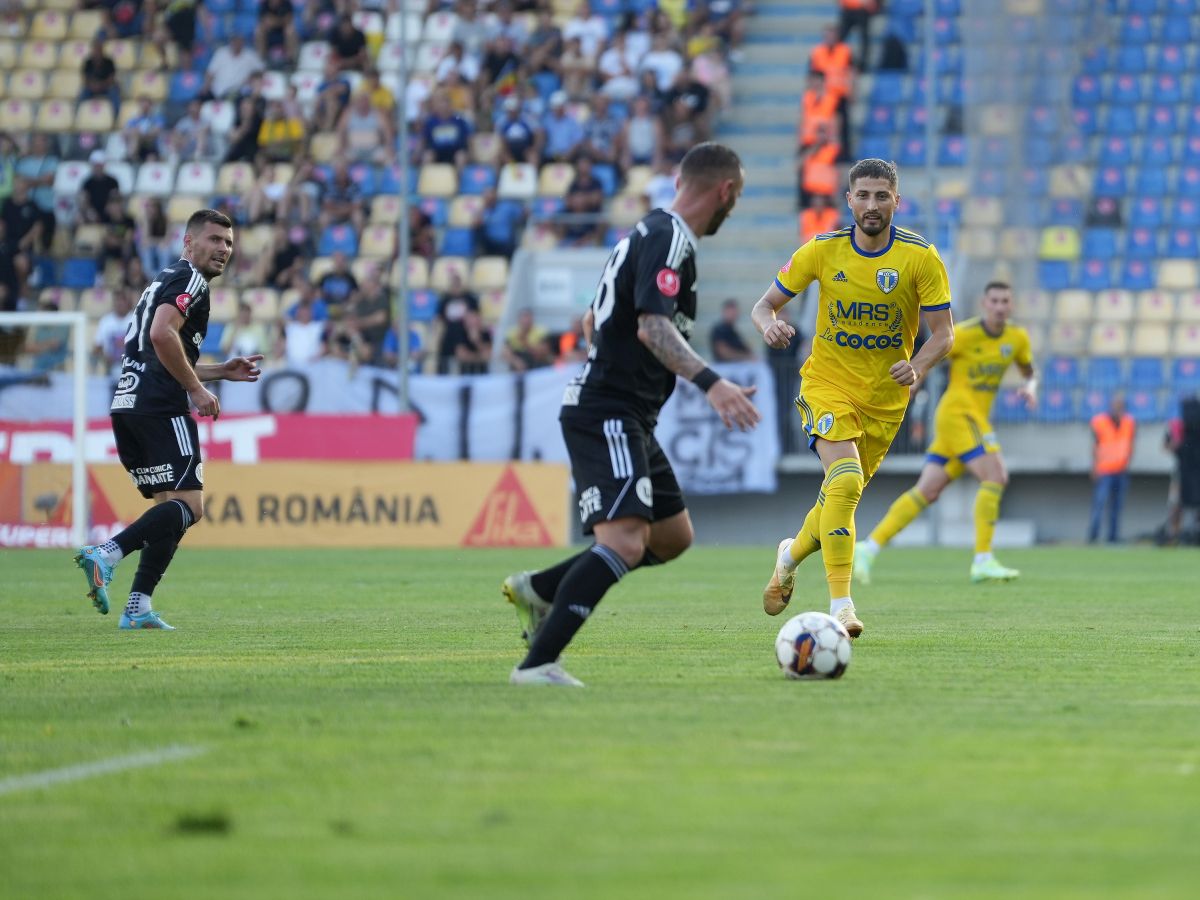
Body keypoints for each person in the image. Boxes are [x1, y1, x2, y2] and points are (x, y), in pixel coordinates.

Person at [501, 141, 759, 686]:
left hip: (630, 413)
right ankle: (538, 664)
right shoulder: (669, 239)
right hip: (609, 411)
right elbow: (651, 326)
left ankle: (544, 589)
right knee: (622, 542)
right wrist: (712, 384)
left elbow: (595, 321)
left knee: (671, 537)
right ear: (725, 191)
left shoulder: (648, 233)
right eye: (733, 200)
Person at [752, 158, 954, 638]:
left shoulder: (920, 258)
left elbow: (943, 335)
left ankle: (790, 555)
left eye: (881, 196)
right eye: (862, 195)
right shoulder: (822, 251)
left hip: (885, 403)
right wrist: (770, 326)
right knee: (843, 481)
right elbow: (764, 306)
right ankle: (842, 607)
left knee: (838, 498)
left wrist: (919, 365)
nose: (871, 205)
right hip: (826, 385)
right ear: (848, 200)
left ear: (896, 202)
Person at [74, 209, 264, 630]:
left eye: (228, 243)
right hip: (160, 405)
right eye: (214, 239)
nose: (223, 249)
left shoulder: (163, 279)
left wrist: (217, 371)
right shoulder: (191, 280)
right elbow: (162, 335)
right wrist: (196, 389)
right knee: (190, 507)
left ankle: (138, 606)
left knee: (168, 510)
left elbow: (156, 347)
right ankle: (106, 553)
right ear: (189, 241)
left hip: (129, 403)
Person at [855, 281, 1037, 584]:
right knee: (995, 476)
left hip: (969, 420)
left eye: (1005, 300)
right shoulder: (964, 334)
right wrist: (915, 382)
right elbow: (933, 355)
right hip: (958, 415)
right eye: (994, 300)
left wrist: (1030, 387)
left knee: (927, 490)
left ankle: (868, 548)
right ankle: (982, 559)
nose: (1000, 306)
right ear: (984, 303)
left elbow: (1030, 372)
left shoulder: (1017, 338)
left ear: (1012, 305)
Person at [1088, 393, 1135, 544]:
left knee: (1117, 506)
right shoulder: (1099, 422)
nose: (1118, 409)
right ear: (1110, 406)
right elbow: (1095, 446)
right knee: (1099, 504)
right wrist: (1094, 467)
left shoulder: (1129, 422)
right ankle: (1093, 536)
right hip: (1104, 469)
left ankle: (1113, 537)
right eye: (1116, 406)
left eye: (1121, 406)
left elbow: (1130, 444)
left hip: (1121, 470)